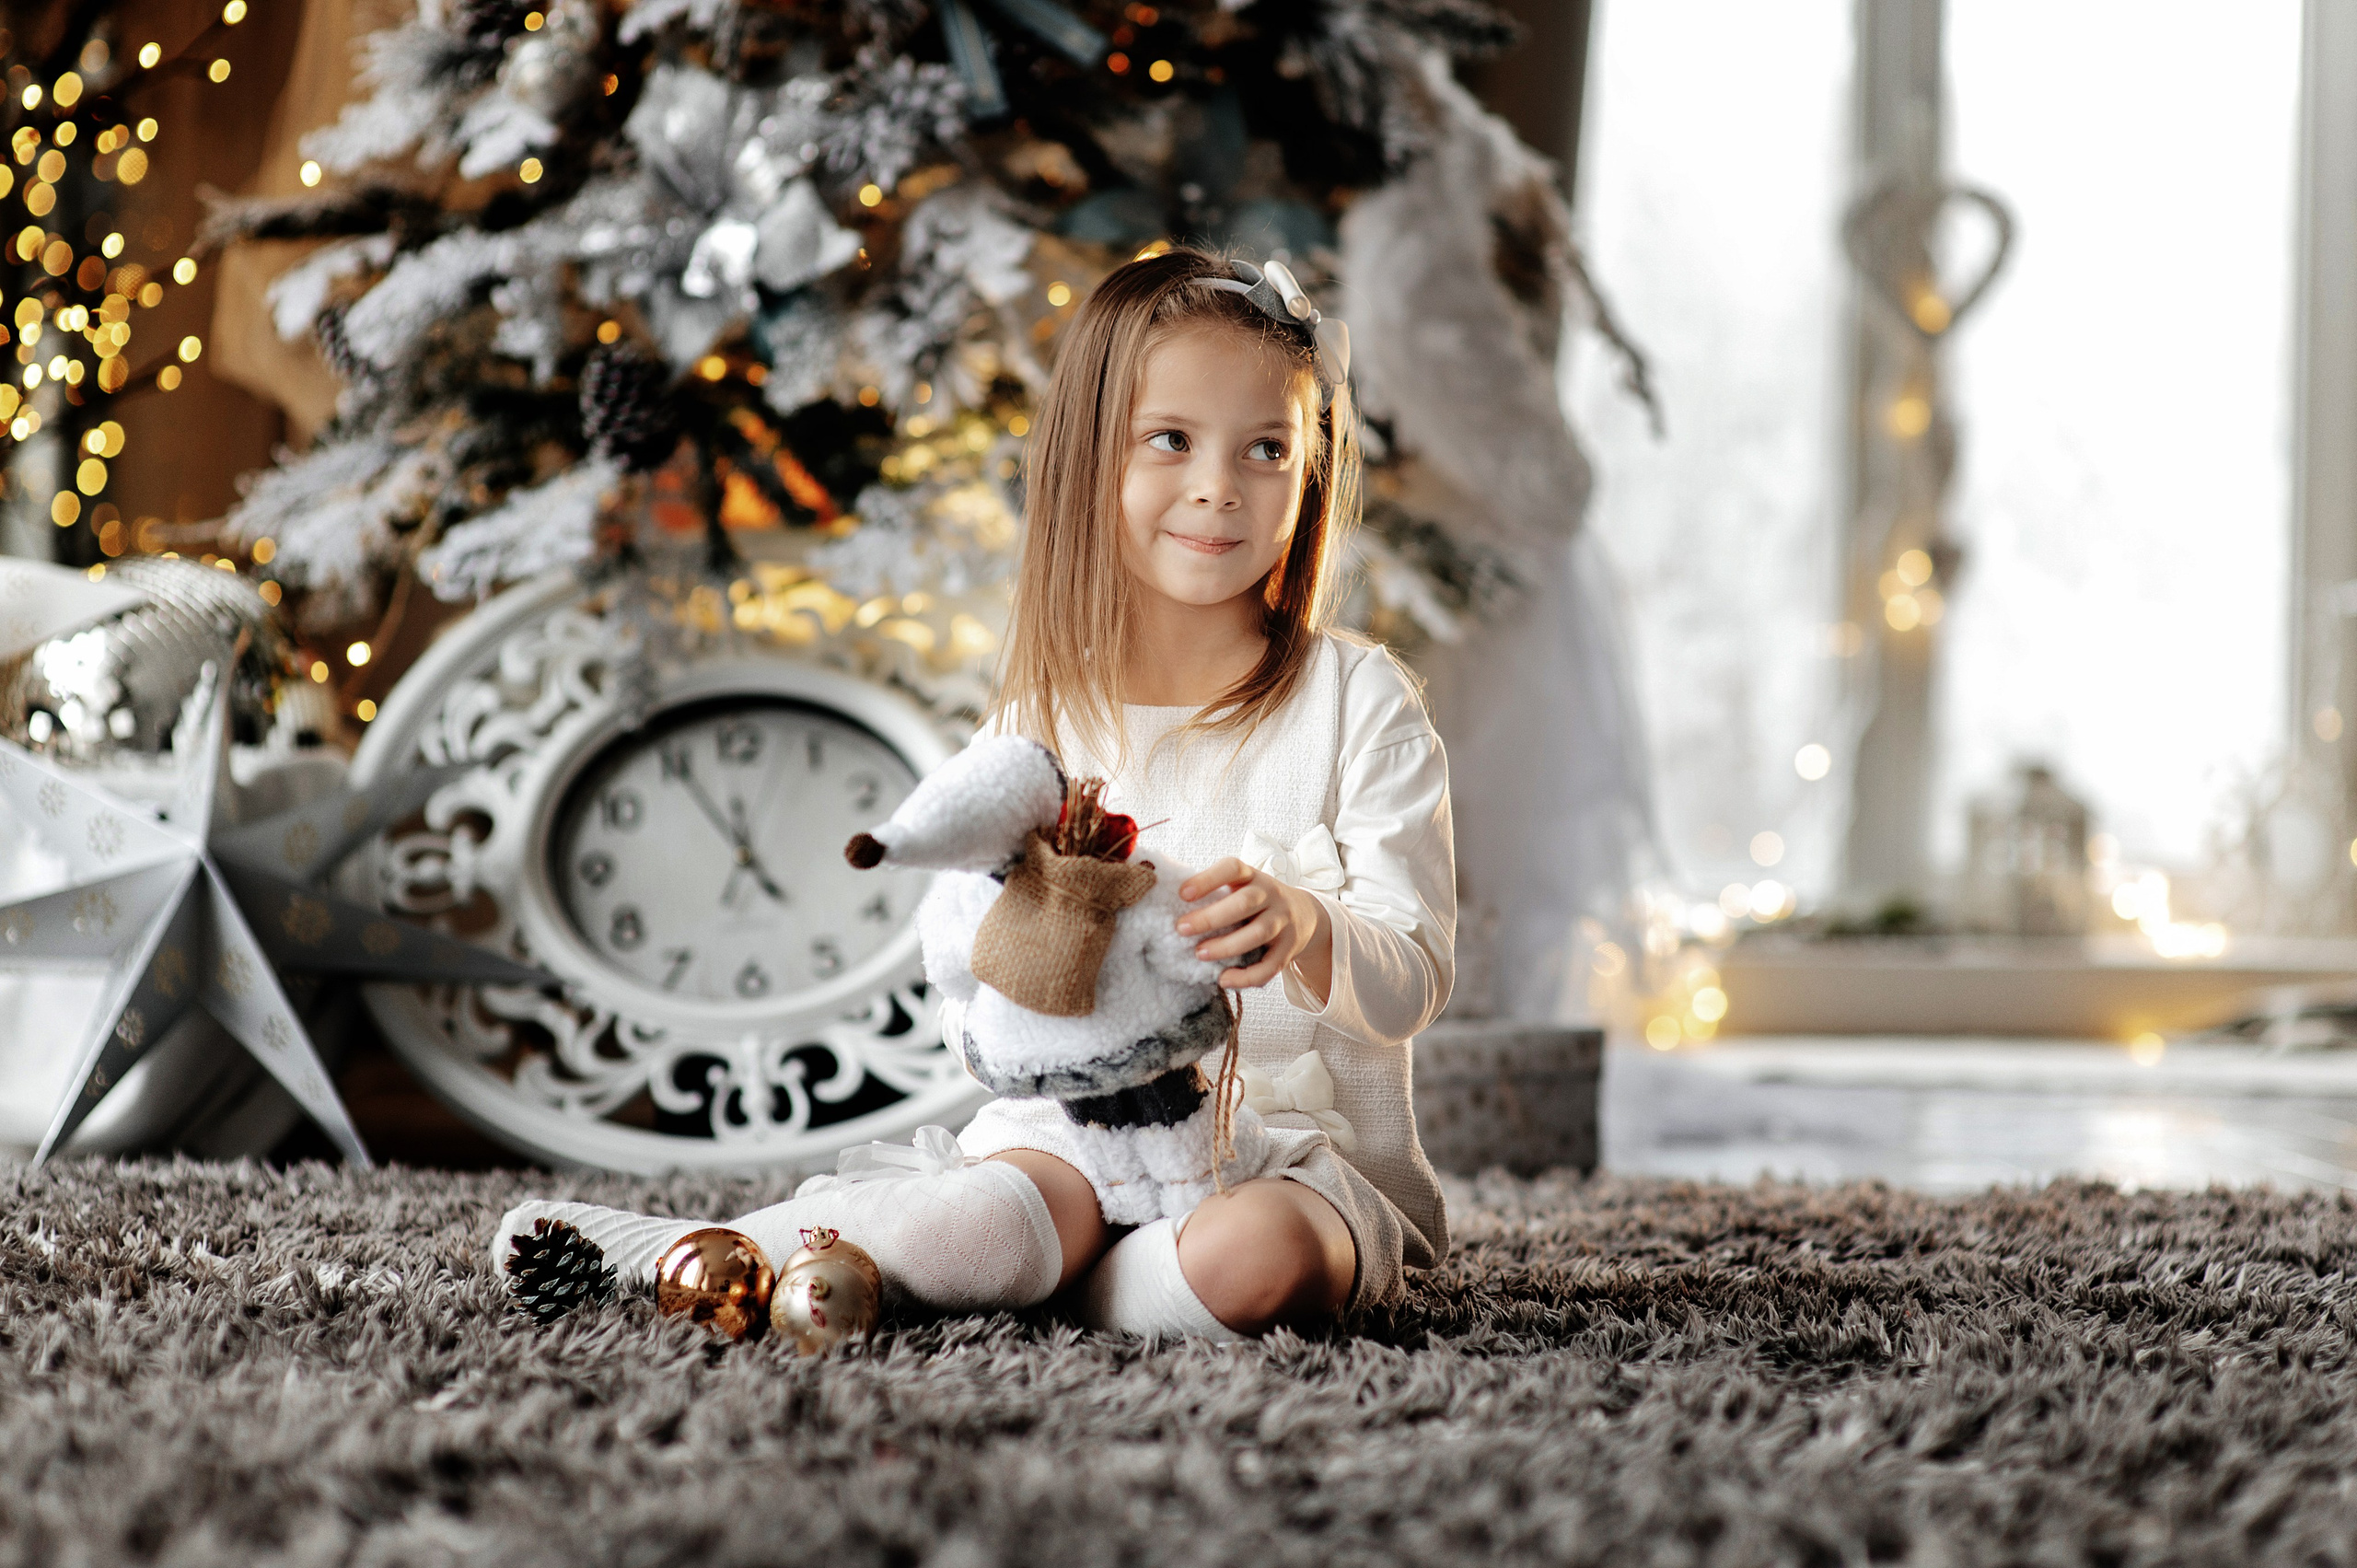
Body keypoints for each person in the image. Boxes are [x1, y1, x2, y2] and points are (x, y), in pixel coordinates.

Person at [493, 246, 1455, 1340]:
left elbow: (1413, 976)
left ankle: (1079, 1288)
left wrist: (1310, 925)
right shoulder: (1038, 727)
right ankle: (697, 1251)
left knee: (1263, 1256)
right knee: (985, 1222)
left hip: (1302, 1166)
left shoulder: (1359, 703)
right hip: (1080, 1132)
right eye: (1170, 439)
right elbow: (969, 999)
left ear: (1311, 472)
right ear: (1093, 458)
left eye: (1267, 448)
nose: (1217, 486)